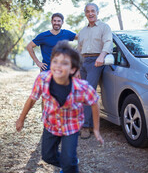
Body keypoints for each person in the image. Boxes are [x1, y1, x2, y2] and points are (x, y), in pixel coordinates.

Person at [16, 40, 104, 173]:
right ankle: (70, 162)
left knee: (69, 162)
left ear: (73, 69)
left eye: (64, 63)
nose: (58, 66)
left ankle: (70, 164)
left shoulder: (81, 87)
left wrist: (96, 129)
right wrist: (21, 119)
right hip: (51, 124)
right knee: (47, 156)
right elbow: (32, 99)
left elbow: (94, 103)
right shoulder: (42, 79)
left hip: (71, 125)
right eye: (55, 61)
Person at [78, 3, 113, 139]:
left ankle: (85, 127)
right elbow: (79, 48)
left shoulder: (104, 27)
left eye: (93, 11)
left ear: (97, 12)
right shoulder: (83, 31)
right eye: (88, 11)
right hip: (83, 62)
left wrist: (101, 56)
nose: (90, 13)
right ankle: (90, 124)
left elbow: (108, 42)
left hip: (96, 62)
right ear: (85, 14)